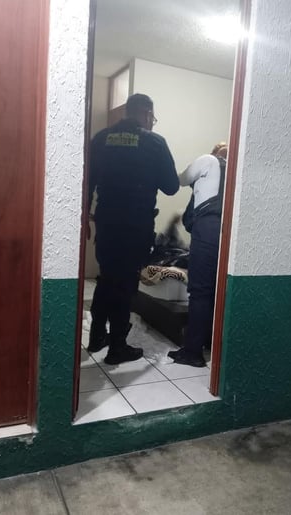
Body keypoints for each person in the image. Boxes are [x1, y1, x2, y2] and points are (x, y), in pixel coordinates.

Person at [87, 93, 179, 364]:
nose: (152, 122)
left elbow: (87, 181)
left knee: (106, 278)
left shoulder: (101, 138)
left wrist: (83, 218)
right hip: (135, 225)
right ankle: (117, 348)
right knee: (125, 285)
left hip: (106, 223)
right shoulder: (154, 142)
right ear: (147, 114)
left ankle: (96, 337)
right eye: (153, 117)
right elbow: (171, 187)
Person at [168, 143, 227, 367]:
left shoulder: (208, 160)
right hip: (230, 230)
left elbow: (180, 180)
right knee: (218, 289)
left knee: (201, 291)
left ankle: (192, 352)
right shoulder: (235, 171)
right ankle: (211, 341)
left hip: (209, 227)